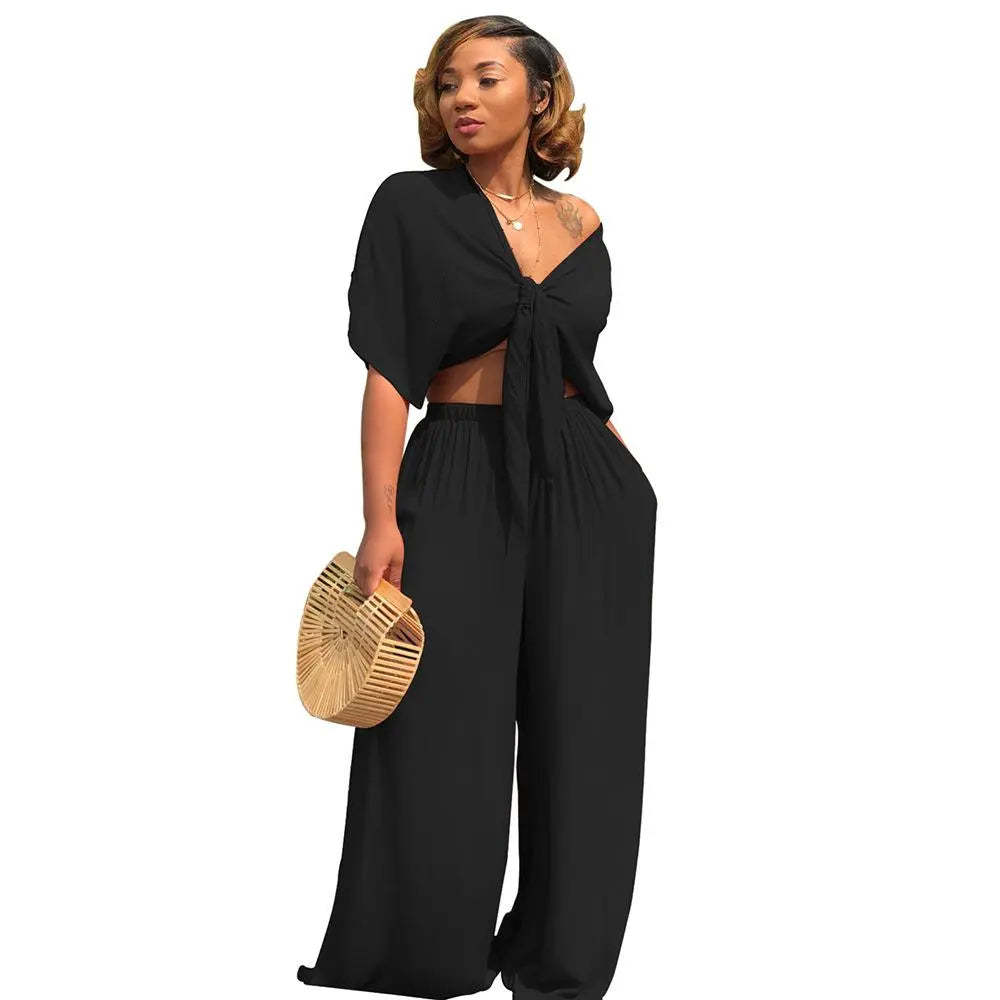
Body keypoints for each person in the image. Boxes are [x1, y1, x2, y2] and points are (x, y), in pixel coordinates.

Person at [298, 16, 657, 1000]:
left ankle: (560, 962)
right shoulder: (411, 207)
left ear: (539, 96)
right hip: (456, 467)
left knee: (587, 729)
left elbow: (575, 369)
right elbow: (388, 370)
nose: (460, 97)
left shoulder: (582, 221)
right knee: (438, 722)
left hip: (586, 483)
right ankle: (426, 953)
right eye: (447, 81)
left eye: (485, 78)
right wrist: (381, 518)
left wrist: (628, 475)